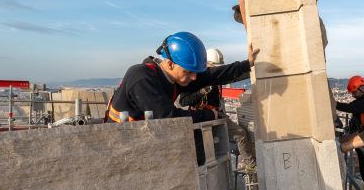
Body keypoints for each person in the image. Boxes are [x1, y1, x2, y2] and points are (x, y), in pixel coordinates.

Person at [106, 32, 258, 123]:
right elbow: (168, 118)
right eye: (189, 72)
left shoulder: (175, 77)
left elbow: (215, 75)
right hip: (119, 143)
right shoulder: (142, 77)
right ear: (170, 64)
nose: (194, 78)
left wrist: (247, 64)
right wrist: (209, 114)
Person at [178, 47, 256, 171]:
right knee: (205, 151)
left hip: (216, 116)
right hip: (202, 118)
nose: (217, 70)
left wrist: (252, 67)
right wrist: (201, 92)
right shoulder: (195, 79)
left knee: (239, 134)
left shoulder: (216, 78)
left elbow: (233, 76)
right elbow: (183, 101)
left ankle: (250, 164)